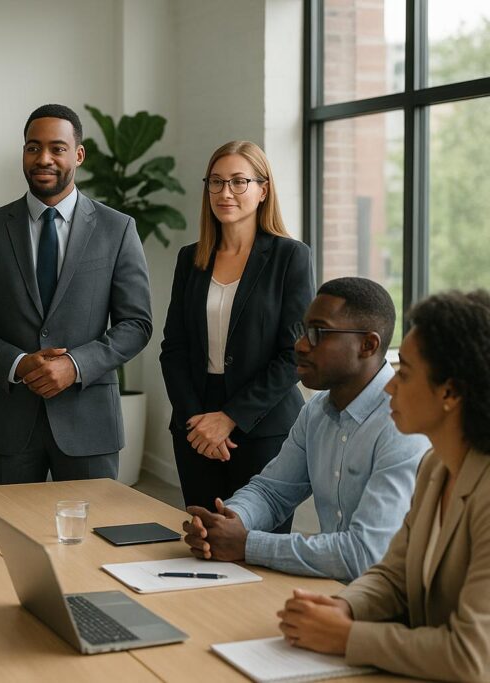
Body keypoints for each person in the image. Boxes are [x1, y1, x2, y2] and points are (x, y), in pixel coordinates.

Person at [278, 290, 490, 681]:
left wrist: (347, 636)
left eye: (404, 373)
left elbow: (472, 657)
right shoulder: (435, 468)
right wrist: (345, 608)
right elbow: (392, 576)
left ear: (451, 392)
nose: (390, 386)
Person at [0, 103, 152, 485]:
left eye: (57, 148)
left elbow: (136, 324)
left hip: (89, 420)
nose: (43, 158)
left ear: (78, 155)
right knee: (6, 538)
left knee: (93, 540)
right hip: (7, 422)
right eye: (33, 147)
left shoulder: (117, 228)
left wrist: (74, 366)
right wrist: (20, 364)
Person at [182, 278, 428, 581]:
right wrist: (224, 521)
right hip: (335, 592)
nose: (300, 345)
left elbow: (365, 555)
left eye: (318, 333)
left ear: (368, 345)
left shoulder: (404, 424)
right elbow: (272, 492)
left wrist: (247, 544)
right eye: (302, 331)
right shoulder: (315, 410)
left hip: (394, 606)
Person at [160, 140, 314, 531]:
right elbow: (173, 347)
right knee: (204, 538)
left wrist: (229, 418)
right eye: (216, 182)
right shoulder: (190, 258)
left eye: (238, 181)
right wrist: (196, 420)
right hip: (195, 426)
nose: (225, 192)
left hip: (263, 424)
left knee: (258, 545)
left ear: (263, 190)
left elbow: (293, 354)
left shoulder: (290, 257)